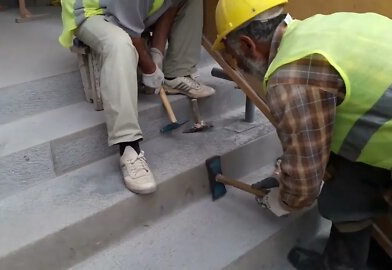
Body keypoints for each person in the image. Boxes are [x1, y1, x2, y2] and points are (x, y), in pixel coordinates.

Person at [213, 0, 392, 269]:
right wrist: (286, 173)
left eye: (233, 56)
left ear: (249, 45)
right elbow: (320, 132)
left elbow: (304, 190)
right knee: (346, 181)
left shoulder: (290, 77)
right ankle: (342, 262)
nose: (236, 64)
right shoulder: (320, 28)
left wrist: (284, 200)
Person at [59, 0, 216, 194]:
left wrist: (157, 52)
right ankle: (128, 146)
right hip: (94, 10)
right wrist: (149, 68)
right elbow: (129, 30)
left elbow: (171, 4)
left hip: (132, 8)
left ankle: (176, 74)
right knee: (119, 44)